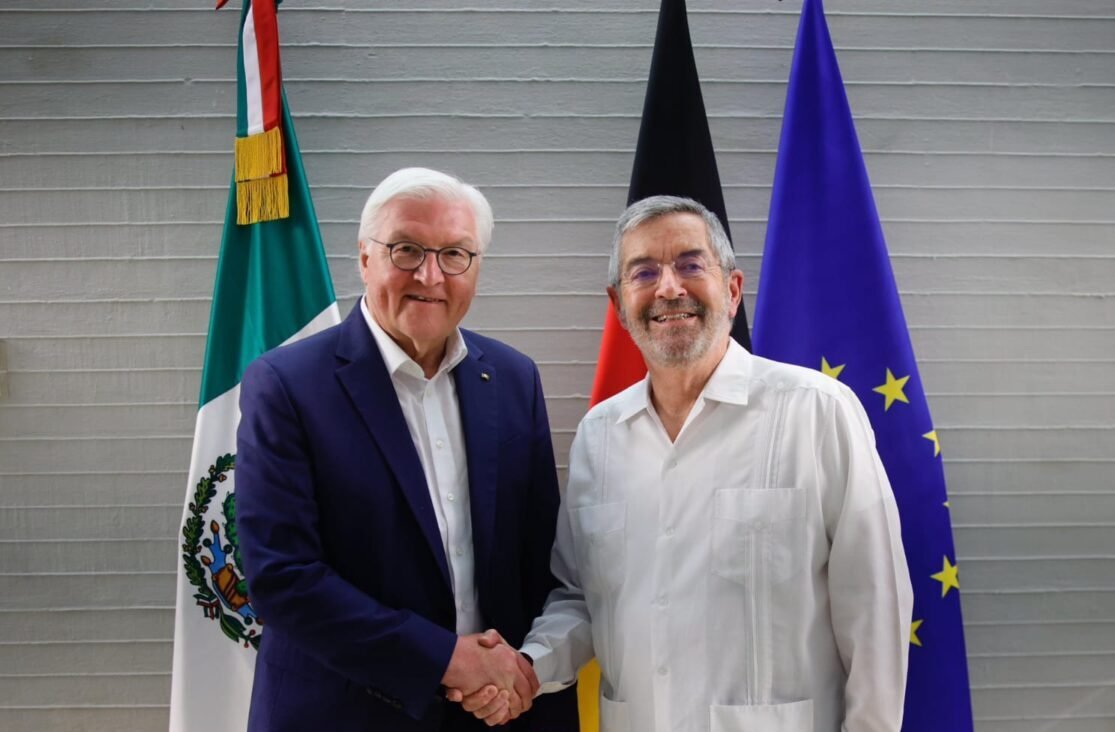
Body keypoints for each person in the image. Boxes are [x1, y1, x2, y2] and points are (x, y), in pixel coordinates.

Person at [454, 195, 913, 731]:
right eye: (644, 272)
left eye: (691, 265)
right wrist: (528, 667)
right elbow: (581, 600)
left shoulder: (816, 411)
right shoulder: (600, 436)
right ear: (619, 304)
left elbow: (875, 608)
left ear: (733, 290)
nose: (669, 288)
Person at [236, 168, 579, 731]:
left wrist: (523, 672)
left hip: (495, 712)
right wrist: (444, 659)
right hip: (344, 714)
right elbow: (282, 577)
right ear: (365, 258)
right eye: (407, 250)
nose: (430, 275)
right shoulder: (286, 385)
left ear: (476, 266)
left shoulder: (514, 378)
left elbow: (538, 561)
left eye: (454, 254)